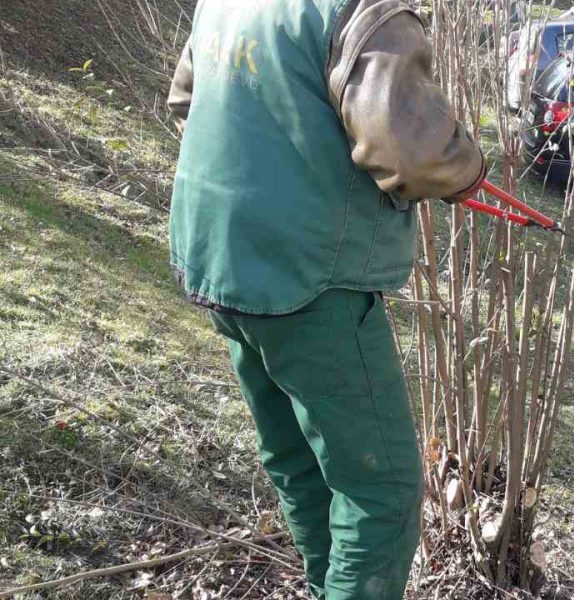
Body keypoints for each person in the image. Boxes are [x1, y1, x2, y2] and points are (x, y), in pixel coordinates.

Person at [166, 1, 485, 599]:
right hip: (309, 277)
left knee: (299, 462)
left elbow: (186, 103)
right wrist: (468, 166)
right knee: (383, 494)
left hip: (220, 260)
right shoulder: (365, 10)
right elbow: (417, 155)